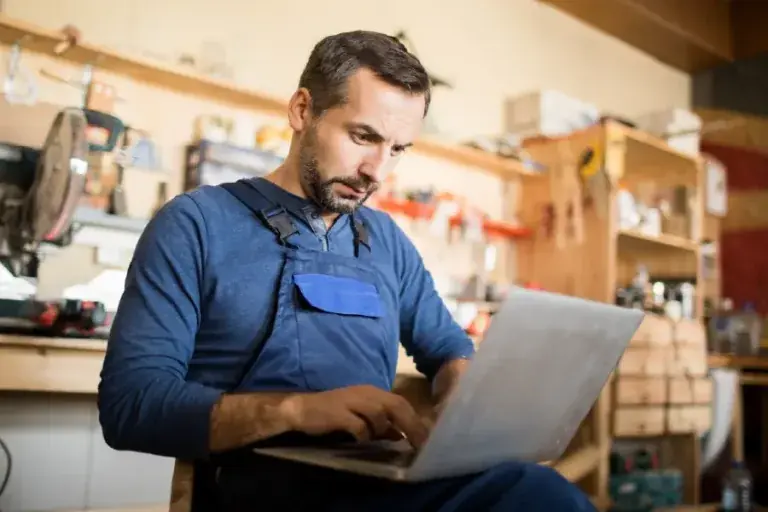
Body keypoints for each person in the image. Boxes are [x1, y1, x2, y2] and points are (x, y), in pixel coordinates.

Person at [98, 30, 596, 511]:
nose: (377, 171)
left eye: (398, 149)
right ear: (302, 110)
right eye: (364, 136)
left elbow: (449, 352)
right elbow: (131, 406)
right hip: (255, 490)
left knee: (535, 490)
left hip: (373, 480)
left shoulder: (385, 242)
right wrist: (297, 410)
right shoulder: (196, 224)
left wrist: (461, 406)